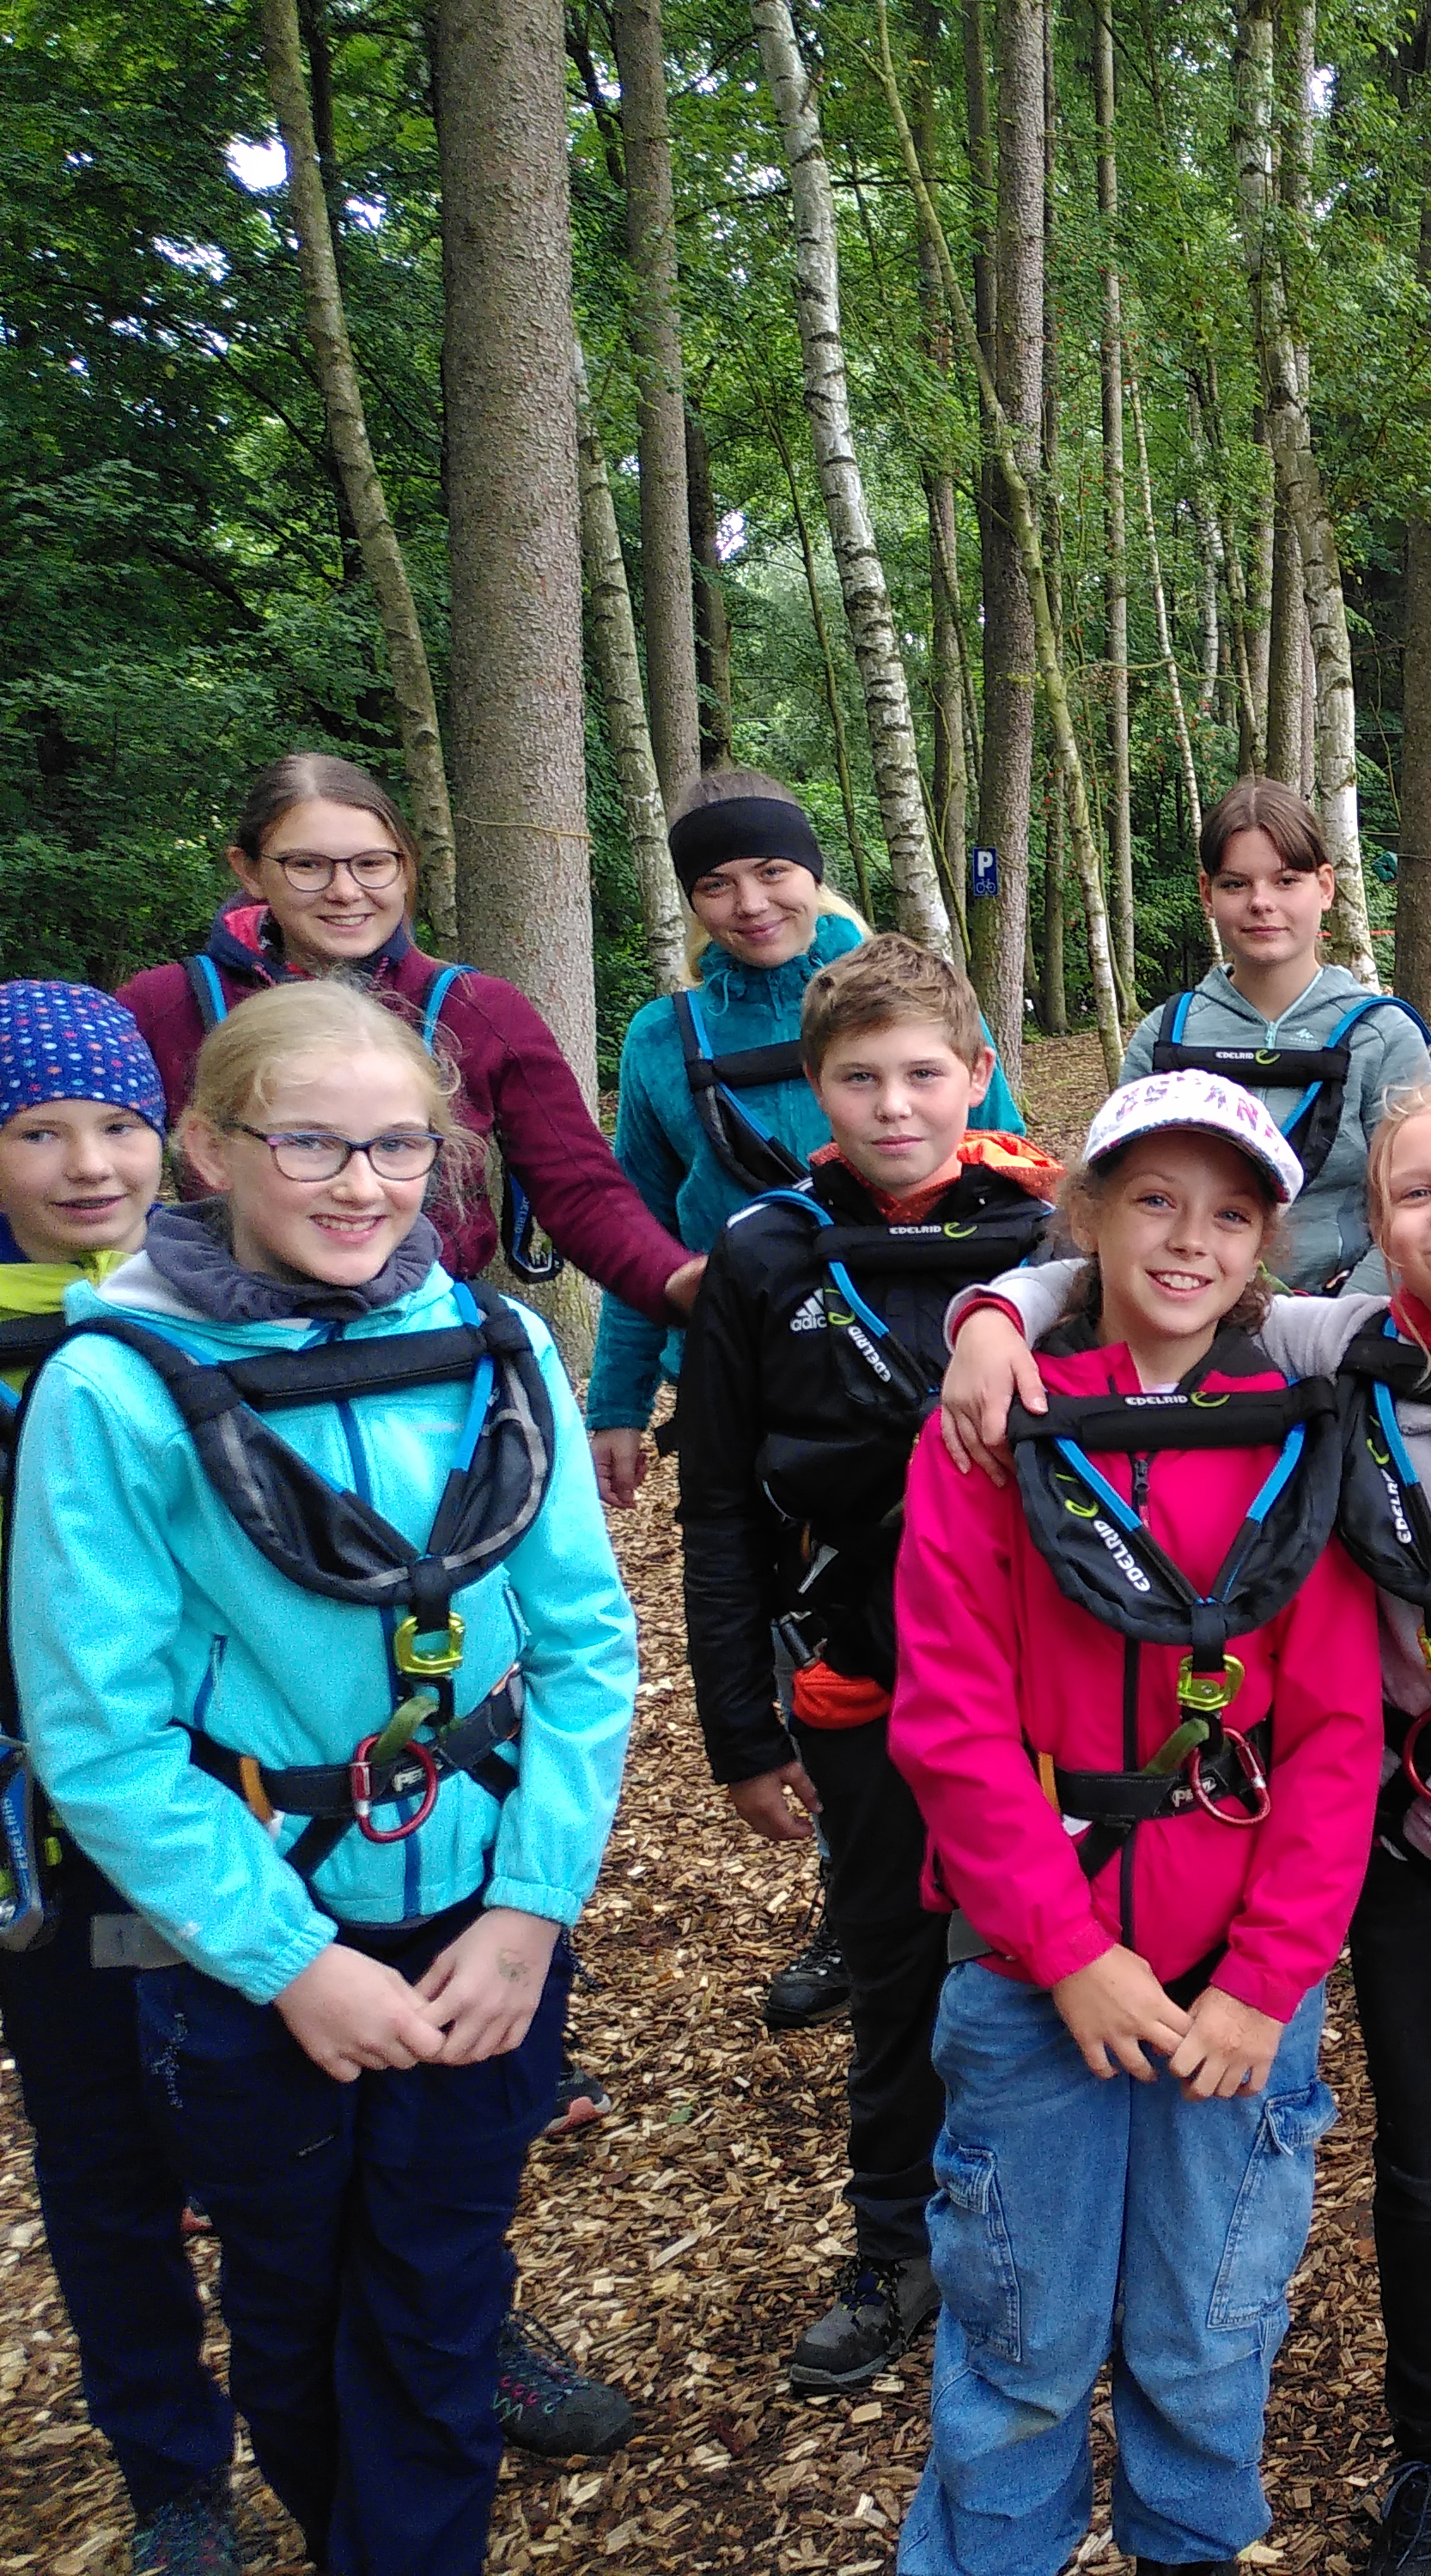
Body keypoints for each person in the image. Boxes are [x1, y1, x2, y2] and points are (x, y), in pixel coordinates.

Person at [934, 1075, 1431, 2576]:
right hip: (1413, 1845)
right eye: (1416, 1194)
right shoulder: (1340, 1356)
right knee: (1428, 2167)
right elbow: (1141, 1265)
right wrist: (992, 1312)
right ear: (1370, 1235)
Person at [10, 980, 639, 2575]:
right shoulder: (117, 1390)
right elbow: (101, 1734)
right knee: (291, 2315)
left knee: (435, 2296)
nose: (364, 1186)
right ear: (209, 1150)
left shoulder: (494, 1346)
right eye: (314, 1144)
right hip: (255, 1952)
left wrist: (532, 1905)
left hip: (482, 1930)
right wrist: (290, 1965)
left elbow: (581, 1645)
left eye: (399, 1149)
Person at [885, 1072, 1382, 2576]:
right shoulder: (999, 1430)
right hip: (1034, 1965)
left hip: (1239, 1983)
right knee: (1021, 2343)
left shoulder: (1297, 1435)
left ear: (1266, 1249)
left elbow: (1338, 1736)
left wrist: (1267, 1978)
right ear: (1085, 1216)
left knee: (1209, 2332)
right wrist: (1064, 1950)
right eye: (1152, 1201)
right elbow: (952, 1721)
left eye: (1230, 1215)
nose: (1188, 1242)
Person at [674, 933, 1063, 2395]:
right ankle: (898, 2243)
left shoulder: (1046, 1242)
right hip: (864, 1680)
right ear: (812, 1088)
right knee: (897, 1966)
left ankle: (1055, 2219)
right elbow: (719, 1506)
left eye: (923, 1072)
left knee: (1056, 1947)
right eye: (859, 1077)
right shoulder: (765, 1258)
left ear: (976, 1074)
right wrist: (739, 1727)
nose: (895, 1104)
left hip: (1048, 1684)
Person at [591, 768, 1026, 2039]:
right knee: (823, 1637)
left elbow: (996, 1171)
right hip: (765, 1382)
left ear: (812, 868)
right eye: (714, 882)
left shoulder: (899, 998)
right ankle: (863, 1909)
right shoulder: (664, 1039)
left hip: (937, 1373)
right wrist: (619, 1397)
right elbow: (642, 1222)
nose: (747, 901)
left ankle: (970, 1911)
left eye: (770, 870)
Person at [0, 985, 245, 2576]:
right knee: (103, 2136)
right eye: (38, 1132)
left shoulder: (240, 1301)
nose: (90, 1164)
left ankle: (452, 2338)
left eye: (117, 1123)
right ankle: (168, 2458)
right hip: (58, 1843)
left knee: (335, 2091)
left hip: (256, 1800)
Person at [118, 750, 702, 1335]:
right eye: (307, 865)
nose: (345, 891)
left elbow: (577, 1184)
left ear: (406, 866)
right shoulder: (165, 1007)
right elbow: (80, 1161)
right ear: (249, 870)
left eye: (372, 863)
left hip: (424, 1347)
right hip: (220, 1343)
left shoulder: (478, 1011)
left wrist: (674, 1282)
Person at [1121, 776, 1431, 1296]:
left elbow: (1417, 1204)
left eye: (1286, 880)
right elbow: (1119, 1199)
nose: (1261, 902)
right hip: (1183, 1312)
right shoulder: (1165, 1034)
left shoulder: (1383, 1036)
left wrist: (1342, 1320)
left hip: (1341, 1324)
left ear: (1326, 887)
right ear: (1208, 893)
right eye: (1235, 884)